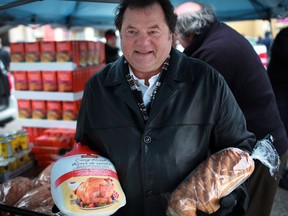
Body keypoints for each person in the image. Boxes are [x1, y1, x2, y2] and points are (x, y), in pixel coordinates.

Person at [75, 0, 256, 215]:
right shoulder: (97, 87)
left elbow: (238, 149)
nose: (143, 42)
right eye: (132, 31)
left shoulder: (207, 81)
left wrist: (228, 196)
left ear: (171, 34)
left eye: (153, 31)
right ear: (121, 34)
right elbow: (84, 152)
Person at [174, 2, 288, 216]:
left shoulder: (213, 53)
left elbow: (197, 113)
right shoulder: (218, 37)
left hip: (261, 151)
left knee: (250, 209)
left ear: (184, 32)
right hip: (257, 143)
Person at [268, 27, 288, 190]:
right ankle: (282, 173)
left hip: (282, 91)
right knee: (283, 133)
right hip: (280, 92)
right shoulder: (284, 36)